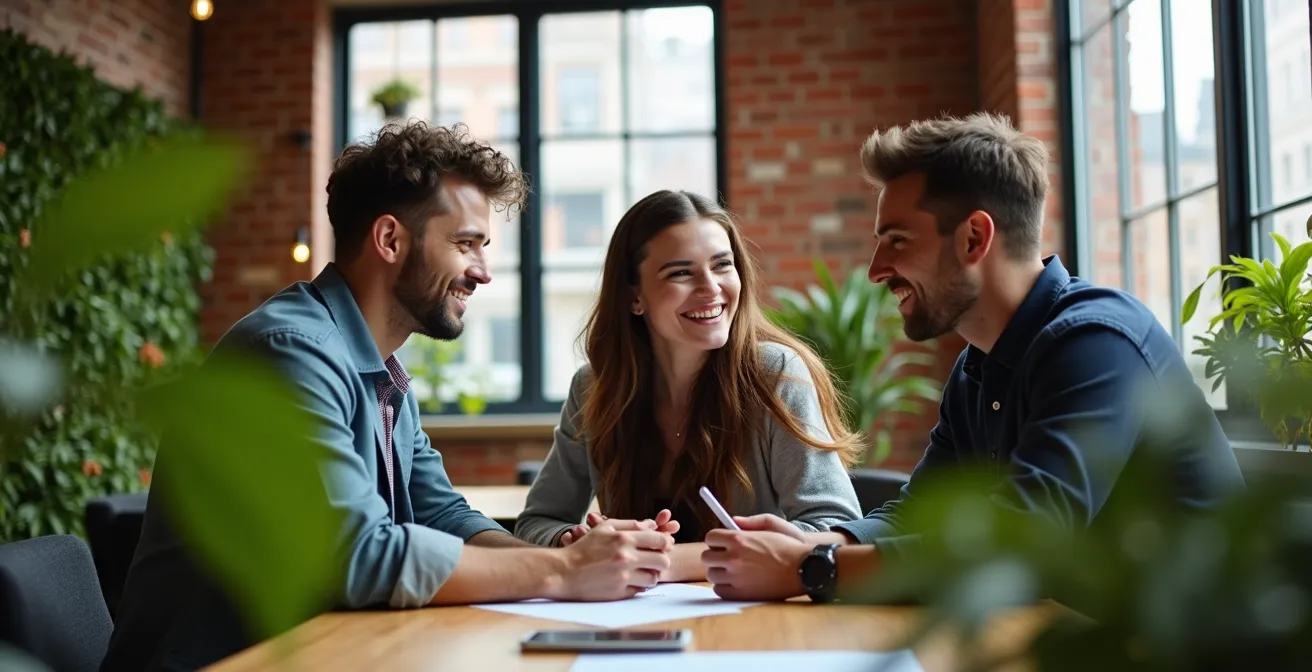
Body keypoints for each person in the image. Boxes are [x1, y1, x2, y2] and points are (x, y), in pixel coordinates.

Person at [102, 122, 674, 672]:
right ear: (390, 239)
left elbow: (440, 513)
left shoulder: (379, 369)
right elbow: (361, 558)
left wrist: (567, 559)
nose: (483, 272)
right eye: (466, 244)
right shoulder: (290, 353)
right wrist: (562, 572)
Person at [700, 112, 1246, 602]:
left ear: (973, 238)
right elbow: (921, 511)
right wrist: (817, 543)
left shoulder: (1094, 343)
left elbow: (1027, 538)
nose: (876, 269)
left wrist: (812, 570)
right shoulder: (978, 366)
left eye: (897, 240)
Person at [513, 189, 864, 583]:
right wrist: (570, 541)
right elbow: (537, 522)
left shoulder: (774, 375)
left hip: (752, 613)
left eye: (722, 265)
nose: (711, 287)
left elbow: (837, 529)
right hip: (631, 613)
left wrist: (664, 562)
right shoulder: (594, 388)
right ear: (634, 297)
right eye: (680, 273)